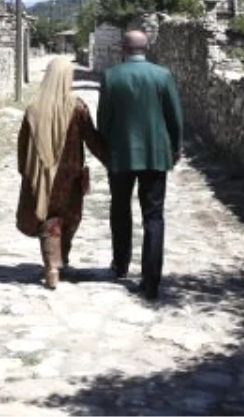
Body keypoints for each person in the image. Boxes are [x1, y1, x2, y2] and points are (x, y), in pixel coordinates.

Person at [97, 29, 183, 300]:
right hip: (156, 156)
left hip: (121, 156)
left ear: (123, 49)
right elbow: (175, 118)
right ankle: (151, 280)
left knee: (120, 209)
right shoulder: (162, 76)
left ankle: (120, 264)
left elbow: (104, 121)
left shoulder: (111, 77)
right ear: (148, 48)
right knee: (154, 216)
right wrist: (176, 148)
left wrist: (107, 148)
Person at [16, 56, 107, 289]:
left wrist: (26, 172)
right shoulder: (77, 107)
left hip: (43, 174)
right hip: (70, 176)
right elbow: (92, 139)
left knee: (48, 219)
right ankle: (57, 264)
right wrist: (111, 159)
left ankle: (53, 264)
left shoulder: (33, 109)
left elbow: (23, 144)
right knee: (68, 218)